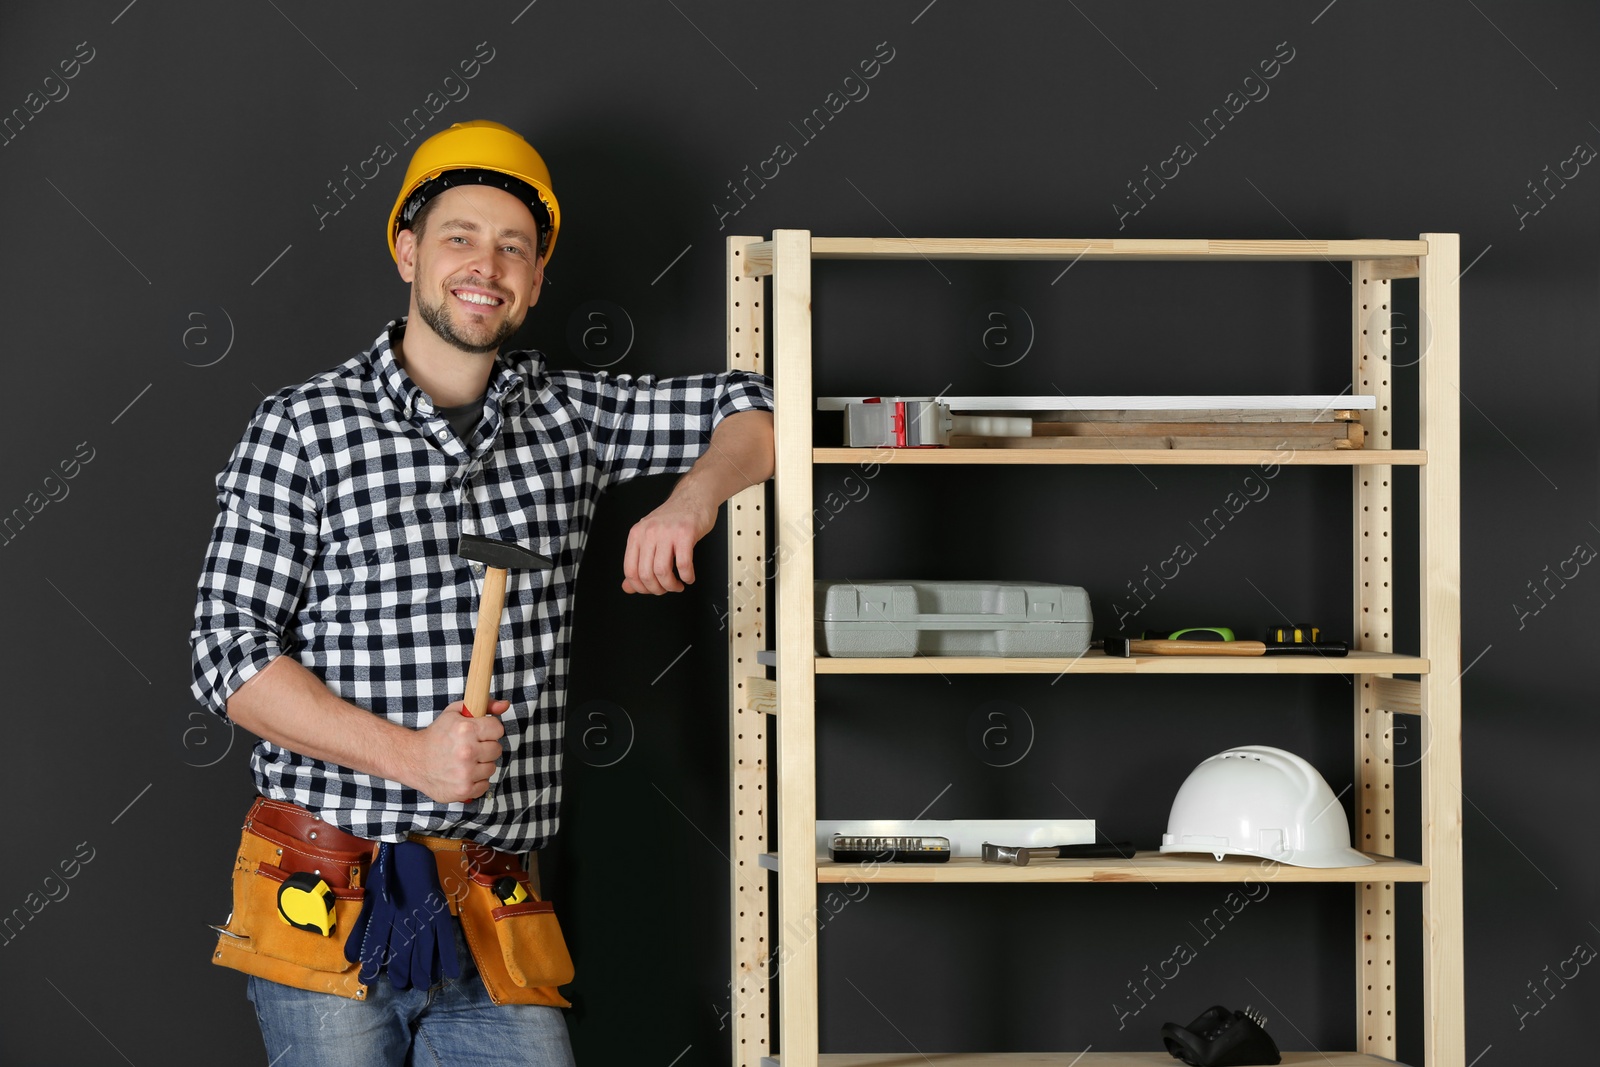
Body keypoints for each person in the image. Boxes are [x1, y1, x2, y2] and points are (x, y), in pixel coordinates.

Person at [189, 119, 774, 1066]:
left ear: (537, 281)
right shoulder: (303, 429)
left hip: (496, 908)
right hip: (326, 894)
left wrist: (692, 498)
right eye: (460, 235)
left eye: (514, 247)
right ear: (407, 250)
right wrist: (413, 757)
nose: (486, 265)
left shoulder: (570, 417)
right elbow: (226, 653)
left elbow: (761, 406)